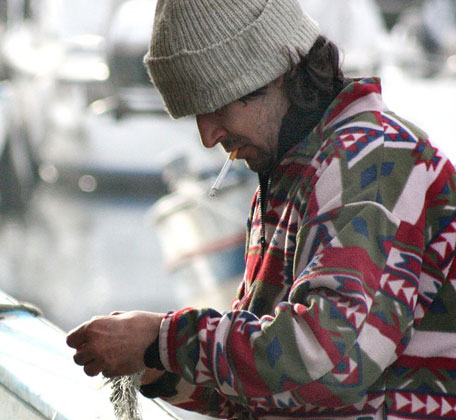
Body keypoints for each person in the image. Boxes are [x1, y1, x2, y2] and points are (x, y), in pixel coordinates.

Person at [67, 0, 456, 418]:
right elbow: (263, 388)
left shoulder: (373, 160)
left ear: (276, 74)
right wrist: (158, 366)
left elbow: (332, 366)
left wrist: (164, 339)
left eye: (216, 105)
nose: (207, 135)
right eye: (195, 114)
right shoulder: (295, 172)